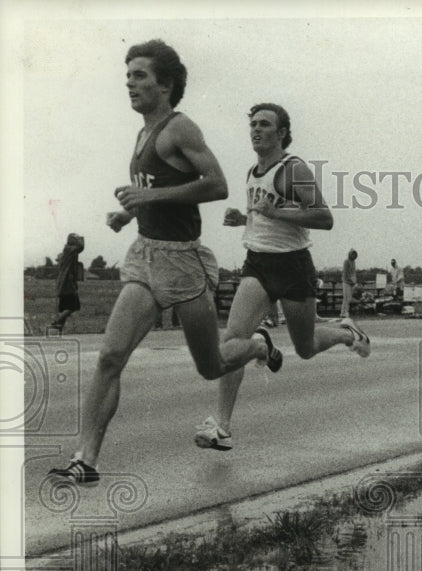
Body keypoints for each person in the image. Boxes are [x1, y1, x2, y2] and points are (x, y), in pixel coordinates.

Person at [49, 39, 273, 485]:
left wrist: (147, 196)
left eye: (140, 76)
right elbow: (160, 187)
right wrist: (129, 212)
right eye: (128, 75)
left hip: (183, 264)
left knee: (210, 365)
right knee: (110, 356)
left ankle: (258, 346)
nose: (130, 83)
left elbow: (217, 185)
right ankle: (86, 459)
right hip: (145, 256)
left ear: (165, 84)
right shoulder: (143, 133)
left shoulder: (180, 128)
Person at [194, 103, 370, 451]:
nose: (256, 130)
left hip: (293, 267)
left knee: (305, 348)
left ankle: (345, 333)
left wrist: (275, 211)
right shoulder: (252, 171)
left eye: (265, 125)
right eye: (253, 124)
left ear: (282, 133)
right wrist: (242, 220)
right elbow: (264, 218)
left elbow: (323, 216)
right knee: (231, 341)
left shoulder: (294, 168)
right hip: (257, 265)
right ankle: (222, 426)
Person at [50, 233, 84, 334]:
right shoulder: (70, 249)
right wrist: (81, 238)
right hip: (67, 283)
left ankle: (59, 329)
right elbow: (81, 246)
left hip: (65, 282)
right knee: (74, 306)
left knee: (66, 306)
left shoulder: (68, 250)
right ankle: (57, 321)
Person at [340, 249, 358, 318]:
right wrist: (351, 281)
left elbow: (354, 272)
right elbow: (346, 273)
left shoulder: (354, 262)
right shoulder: (346, 261)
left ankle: (344, 312)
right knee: (346, 297)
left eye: (355, 254)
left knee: (349, 298)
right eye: (352, 254)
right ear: (350, 254)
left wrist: (354, 281)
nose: (353, 255)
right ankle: (344, 312)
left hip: (352, 282)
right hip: (346, 282)